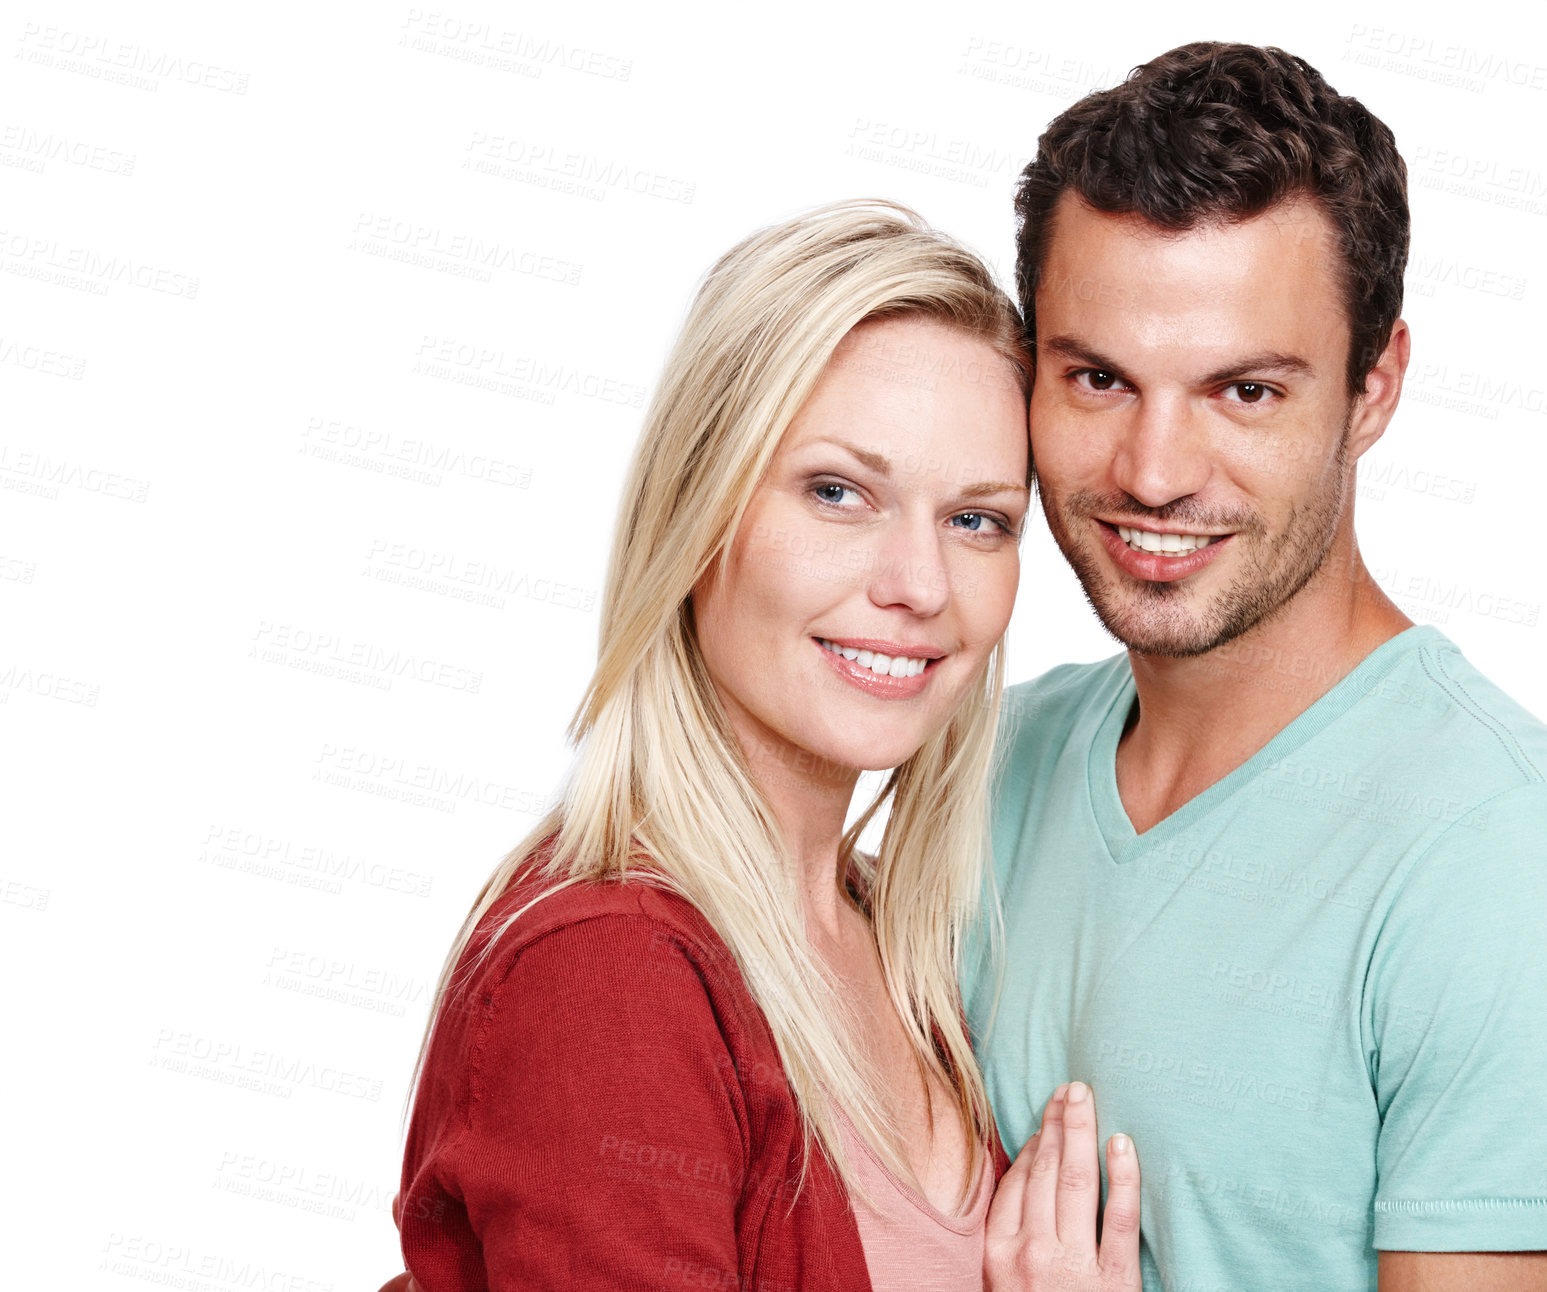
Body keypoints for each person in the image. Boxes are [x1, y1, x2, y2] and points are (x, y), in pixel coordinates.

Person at [382, 201, 1141, 1291]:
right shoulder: (610, 971)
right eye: (839, 492)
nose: (919, 585)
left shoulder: (901, 944)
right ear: (698, 512)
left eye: (976, 518)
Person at [965, 41, 1547, 1292]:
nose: (1154, 469)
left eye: (1242, 390)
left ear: (1371, 387)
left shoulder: (1496, 853)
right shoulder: (982, 762)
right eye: (1097, 377)